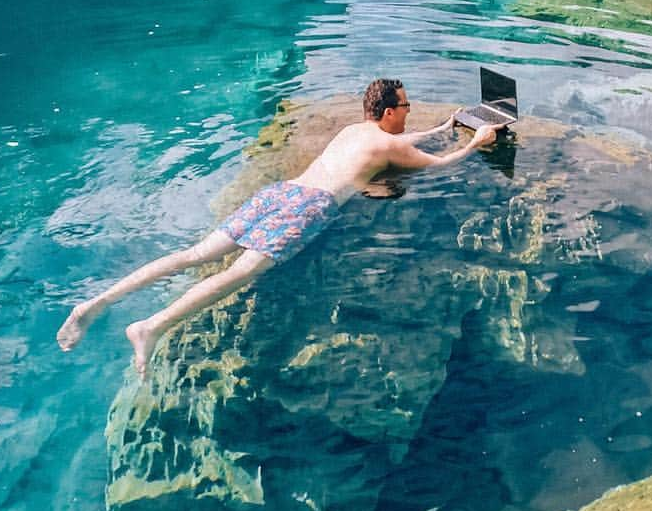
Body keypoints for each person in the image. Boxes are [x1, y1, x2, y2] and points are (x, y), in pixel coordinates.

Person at [56, 79, 502, 375]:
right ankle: (150, 327)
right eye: (406, 106)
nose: (410, 112)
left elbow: (395, 144)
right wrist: (475, 142)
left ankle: (96, 303)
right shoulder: (389, 146)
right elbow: (440, 164)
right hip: (308, 209)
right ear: (387, 111)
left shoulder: (355, 131)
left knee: (194, 254)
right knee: (239, 273)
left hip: (282, 193)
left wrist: (444, 125)